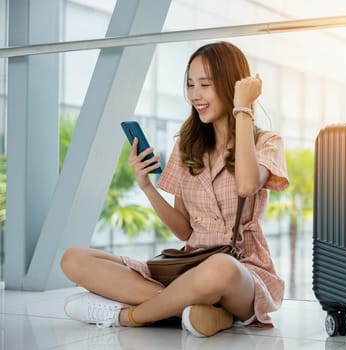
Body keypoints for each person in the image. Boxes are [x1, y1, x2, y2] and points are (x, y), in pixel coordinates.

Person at [60, 41, 289, 337]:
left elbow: (246, 184)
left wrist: (242, 108)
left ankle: (129, 315)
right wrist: (147, 187)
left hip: (241, 272)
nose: (195, 95)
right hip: (188, 267)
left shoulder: (267, 142)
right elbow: (184, 231)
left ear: (231, 86)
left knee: (221, 267)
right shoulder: (187, 144)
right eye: (191, 85)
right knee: (73, 259)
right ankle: (200, 311)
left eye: (205, 84)